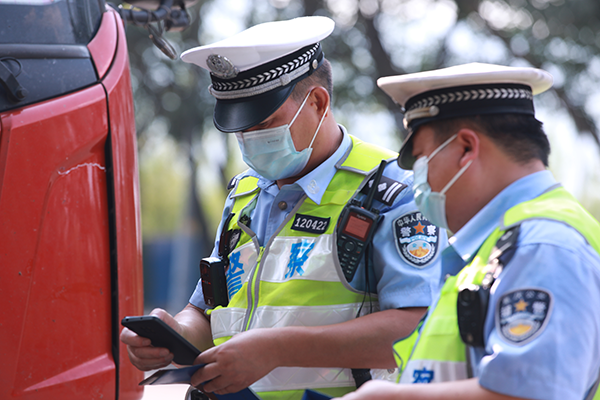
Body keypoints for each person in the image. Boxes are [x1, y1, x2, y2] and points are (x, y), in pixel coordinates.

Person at [120, 16, 446, 400]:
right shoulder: (244, 193)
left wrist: (276, 350)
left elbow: (419, 328)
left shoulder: (391, 191)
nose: (249, 138)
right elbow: (212, 313)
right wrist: (174, 333)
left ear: (319, 103)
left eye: (265, 123)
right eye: (240, 129)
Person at [335, 62, 600, 400]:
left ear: (465, 148)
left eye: (421, 160)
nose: (419, 180)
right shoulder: (496, 248)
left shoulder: (543, 246)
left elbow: (534, 393)